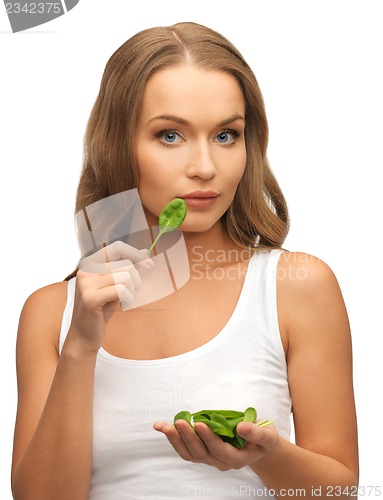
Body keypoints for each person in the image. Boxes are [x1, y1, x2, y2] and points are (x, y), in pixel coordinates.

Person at [11, 22, 358, 499]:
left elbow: (340, 493)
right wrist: (80, 348)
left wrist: (268, 455)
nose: (205, 166)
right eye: (170, 135)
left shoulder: (296, 286)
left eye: (225, 135)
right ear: (119, 144)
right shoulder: (52, 314)